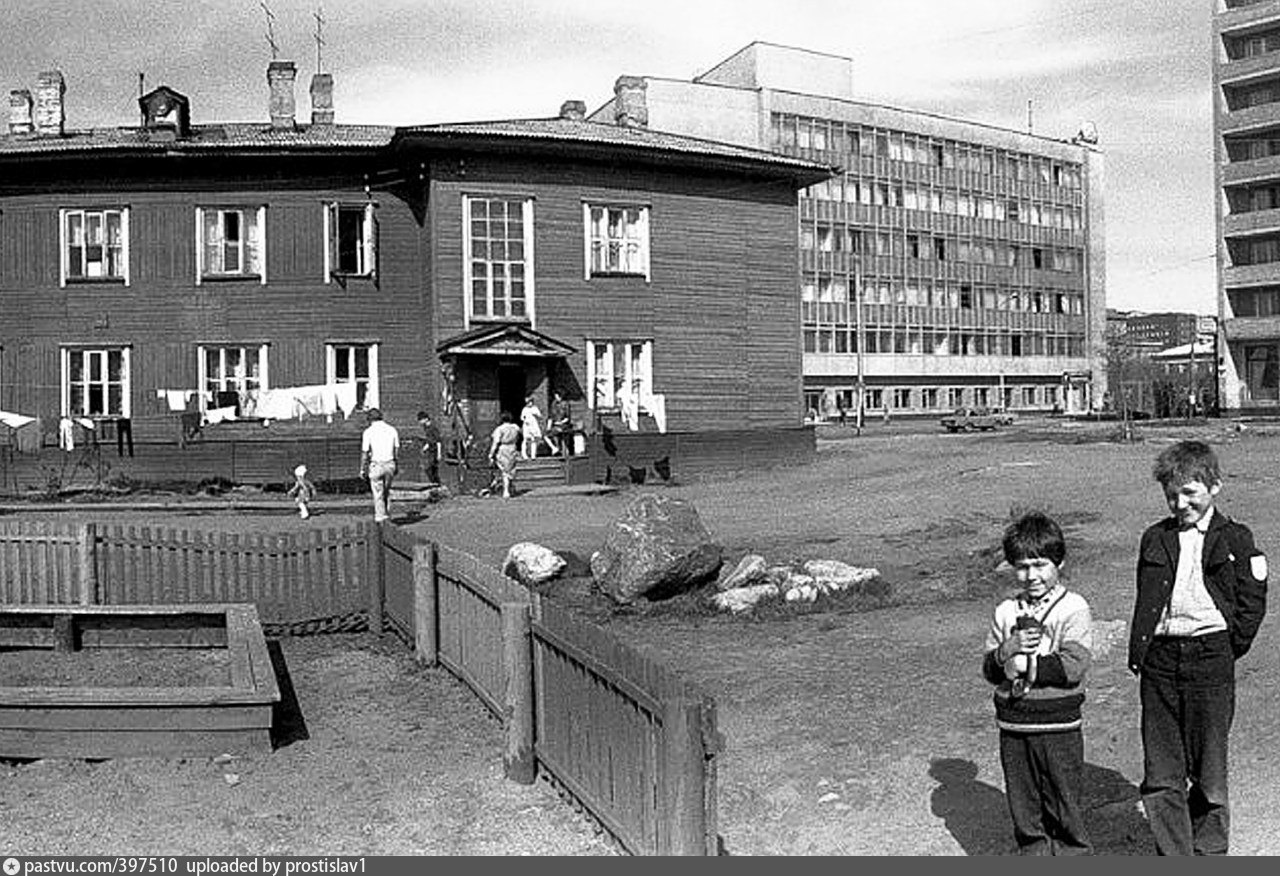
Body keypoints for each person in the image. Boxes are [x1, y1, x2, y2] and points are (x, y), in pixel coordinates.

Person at [1128, 440, 1268, 855]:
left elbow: (1251, 603)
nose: (1180, 503)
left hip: (1210, 658)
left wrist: (1225, 646)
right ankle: (1174, 855)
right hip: (1160, 662)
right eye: (1172, 495)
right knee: (1162, 769)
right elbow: (1146, 598)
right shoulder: (1154, 538)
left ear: (1214, 487)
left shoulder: (1237, 539)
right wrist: (1145, 651)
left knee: (1209, 770)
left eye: (1190, 492)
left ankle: (1209, 853)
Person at [982, 512, 1093, 855]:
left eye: (1040, 565)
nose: (1031, 575)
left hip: (1058, 723)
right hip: (1015, 723)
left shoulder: (1072, 608)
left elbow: (1073, 666)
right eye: (1022, 566)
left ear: (1059, 561)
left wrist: (1022, 664)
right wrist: (1007, 650)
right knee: (1024, 806)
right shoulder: (1005, 611)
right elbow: (989, 668)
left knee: (1063, 804)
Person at [359, 407, 400, 523]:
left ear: (369, 419)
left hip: (376, 464)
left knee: (378, 494)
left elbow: (365, 453)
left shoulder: (368, 432)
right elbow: (396, 450)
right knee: (386, 491)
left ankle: (380, 519)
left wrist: (363, 469)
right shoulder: (392, 430)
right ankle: (387, 515)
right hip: (390, 463)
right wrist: (396, 464)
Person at [488, 411, 521, 499]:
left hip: (503, 448)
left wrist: (491, 453)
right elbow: (519, 436)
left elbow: (496, 442)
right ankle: (508, 487)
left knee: (504, 470)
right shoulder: (515, 427)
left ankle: (506, 491)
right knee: (510, 469)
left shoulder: (500, 429)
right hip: (513, 448)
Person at [416, 410, 441, 484]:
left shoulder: (433, 428)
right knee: (429, 469)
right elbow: (429, 440)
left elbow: (438, 441)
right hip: (430, 451)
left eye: (421, 420)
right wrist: (425, 447)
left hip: (434, 451)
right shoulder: (426, 428)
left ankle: (436, 484)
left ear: (426, 419)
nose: (420, 422)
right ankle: (435, 484)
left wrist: (439, 454)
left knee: (431, 469)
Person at [547, 391, 572, 457]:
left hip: (564, 425)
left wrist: (561, 422)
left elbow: (568, 417)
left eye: (557, 396)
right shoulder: (553, 404)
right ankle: (556, 448)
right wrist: (548, 426)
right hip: (555, 425)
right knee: (547, 435)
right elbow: (551, 416)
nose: (556, 398)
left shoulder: (565, 404)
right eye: (555, 396)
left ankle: (561, 449)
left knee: (558, 433)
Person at [519, 395, 544, 460]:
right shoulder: (524, 409)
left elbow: (540, 416)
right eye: (528, 403)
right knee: (526, 439)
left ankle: (533, 455)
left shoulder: (535, 408)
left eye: (530, 402)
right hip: (527, 425)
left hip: (533, 425)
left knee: (534, 439)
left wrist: (536, 414)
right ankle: (524, 454)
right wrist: (525, 420)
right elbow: (522, 417)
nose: (530, 404)